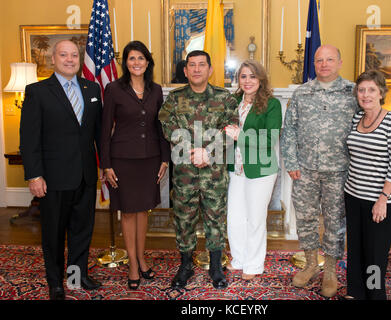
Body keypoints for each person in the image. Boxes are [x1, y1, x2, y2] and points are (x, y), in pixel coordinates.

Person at [19, 40, 103, 300]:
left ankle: (77, 277)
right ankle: (55, 283)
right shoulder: (38, 91)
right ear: (52, 59)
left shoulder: (92, 88)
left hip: (86, 175)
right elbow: (29, 138)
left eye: (74, 55)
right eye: (63, 55)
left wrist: (104, 166)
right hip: (53, 178)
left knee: (82, 230)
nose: (70, 59)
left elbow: (97, 132)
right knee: (53, 234)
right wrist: (34, 175)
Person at [280, 44, 358, 298]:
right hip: (305, 170)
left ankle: (331, 270)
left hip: (340, 170)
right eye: (319, 60)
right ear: (314, 64)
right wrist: (291, 161)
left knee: (336, 221)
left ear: (339, 62)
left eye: (329, 59)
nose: (324, 64)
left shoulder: (353, 92)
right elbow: (289, 129)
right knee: (305, 218)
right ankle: (312, 263)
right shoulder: (302, 93)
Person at [158, 50, 238, 290]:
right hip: (184, 174)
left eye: (201, 65)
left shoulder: (226, 98)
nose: (196, 69)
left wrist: (209, 152)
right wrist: (192, 150)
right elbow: (166, 125)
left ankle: (215, 267)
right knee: (184, 220)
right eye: (191, 65)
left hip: (214, 175)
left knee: (215, 220)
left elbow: (232, 128)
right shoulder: (174, 98)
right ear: (185, 71)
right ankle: (185, 266)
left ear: (210, 69)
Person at [100, 41, 170, 290]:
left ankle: (141, 258)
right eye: (132, 58)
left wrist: (164, 158)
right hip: (123, 160)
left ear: (148, 62)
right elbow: (105, 128)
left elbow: (160, 126)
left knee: (143, 211)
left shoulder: (157, 90)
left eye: (141, 58)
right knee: (128, 211)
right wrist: (106, 164)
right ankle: (132, 263)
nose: (137, 63)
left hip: (150, 159)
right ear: (125, 63)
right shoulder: (114, 89)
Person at [342, 70, 391, 300]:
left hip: (378, 200)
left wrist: (383, 200)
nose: (365, 95)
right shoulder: (356, 119)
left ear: (381, 93)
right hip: (353, 194)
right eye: (361, 90)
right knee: (356, 250)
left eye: (371, 90)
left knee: (375, 255)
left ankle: (375, 295)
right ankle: (355, 293)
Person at [224, 60, 282, 280]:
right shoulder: (233, 102)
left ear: (261, 79)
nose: (248, 81)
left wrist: (242, 135)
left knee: (255, 218)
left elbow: (271, 138)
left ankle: (254, 264)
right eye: (243, 76)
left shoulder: (272, 104)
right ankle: (239, 259)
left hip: (262, 169)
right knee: (235, 217)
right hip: (236, 167)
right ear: (238, 79)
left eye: (252, 76)